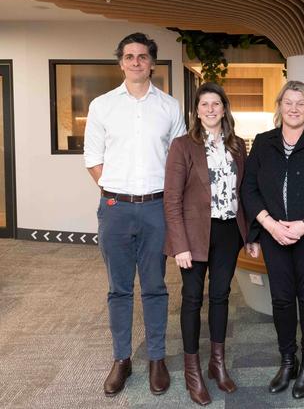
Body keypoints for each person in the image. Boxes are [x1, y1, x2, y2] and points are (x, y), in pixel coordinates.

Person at [84, 32, 186, 397]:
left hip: (157, 208)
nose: (136, 62)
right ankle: (122, 359)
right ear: (121, 62)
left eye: (143, 56)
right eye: (129, 56)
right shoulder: (102, 106)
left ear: (153, 63)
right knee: (119, 289)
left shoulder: (170, 107)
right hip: (115, 209)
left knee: (156, 287)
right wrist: (116, 192)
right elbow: (93, 159)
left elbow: (179, 162)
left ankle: (157, 358)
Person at [241, 81, 304, 399]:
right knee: (282, 300)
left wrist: (303, 225)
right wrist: (270, 225)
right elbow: (249, 190)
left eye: (301, 103)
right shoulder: (263, 142)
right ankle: (288, 360)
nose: (294, 108)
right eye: (289, 102)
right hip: (274, 236)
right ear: (280, 106)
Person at [164, 82, 259, 405]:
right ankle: (193, 371)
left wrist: (250, 236)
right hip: (193, 235)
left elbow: (243, 193)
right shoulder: (183, 146)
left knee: (220, 296)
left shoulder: (237, 146)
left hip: (228, 231)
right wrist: (180, 245)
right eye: (204, 104)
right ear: (196, 111)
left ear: (224, 108)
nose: (210, 109)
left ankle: (216, 364)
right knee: (192, 298)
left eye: (215, 104)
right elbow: (172, 199)